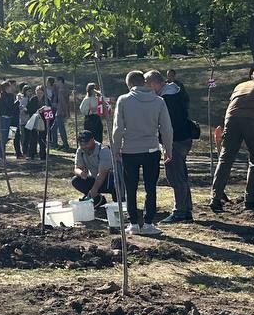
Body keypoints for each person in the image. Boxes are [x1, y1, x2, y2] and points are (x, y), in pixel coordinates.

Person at [211, 65, 254, 212]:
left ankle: (215, 198)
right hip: (253, 121)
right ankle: (250, 200)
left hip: (231, 119)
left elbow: (232, 107)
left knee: (225, 159)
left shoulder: (240, 86)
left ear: (252, 76)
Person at [112, 70, 173, 236]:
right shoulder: (159, 101)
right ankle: (148, 223)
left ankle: (133, 223)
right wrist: (168, 148)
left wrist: (116, 148)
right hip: (152, 149)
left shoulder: (123, 100)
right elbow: (166, 128)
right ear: (144, 82)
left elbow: (118, 128)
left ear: (129, 84)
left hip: (130, 150)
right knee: (150, 187)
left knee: (130, 188)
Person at [149, 70, 195, 223]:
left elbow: (167, 125)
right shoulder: (176, 92)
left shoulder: (166, 99)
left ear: (154, 83)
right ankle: (186, 209)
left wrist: (166, 146)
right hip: (184, 137)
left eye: (148, 86)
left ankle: (180, 212)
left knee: (175, 176)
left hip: (175, 140)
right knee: (181, 175)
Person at [71, 130, 116, 205]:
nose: (84, 147)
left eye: (86, 144)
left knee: (119, 203)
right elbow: (77, 168)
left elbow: (102, 174)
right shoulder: (80, 150)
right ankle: (98, 200)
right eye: (81, 145)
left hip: (109, 181)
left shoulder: (103, 150)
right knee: (76, 180)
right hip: (94, 179)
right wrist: (81, 173)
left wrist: (94, 190)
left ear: (92, 140)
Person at [0, 80, 17, 164]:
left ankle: (2, 156)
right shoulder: (2, 96)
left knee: (9, 137)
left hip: (10, 119)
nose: (12, 88)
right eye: (11, 86)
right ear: (7, 87)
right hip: (3, 118)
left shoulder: (11, 96)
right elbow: (6, 107)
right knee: (2, 138)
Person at [23, 85, 49, 161]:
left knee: (42, 139)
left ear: (44, 93)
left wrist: (45, 111)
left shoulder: (46, 100)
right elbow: (28, 109)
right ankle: (32, 154)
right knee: (33, 138)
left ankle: (43, 155)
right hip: (34, 121)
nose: (39, 94)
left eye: (40, 92)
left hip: (43, 122)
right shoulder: (33, 99)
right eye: (37, 92)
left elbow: (49, 114)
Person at [52, 76, 73, 150]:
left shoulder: (61, 90)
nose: (55, 83)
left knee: (61, 129)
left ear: (60, 81)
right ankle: (54, 144)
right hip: (60, 111)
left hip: (60, 112)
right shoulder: (64, 89)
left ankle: (66, 145)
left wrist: (65, 112)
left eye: (56, 81)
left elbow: (63, 102)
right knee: (53, 129)